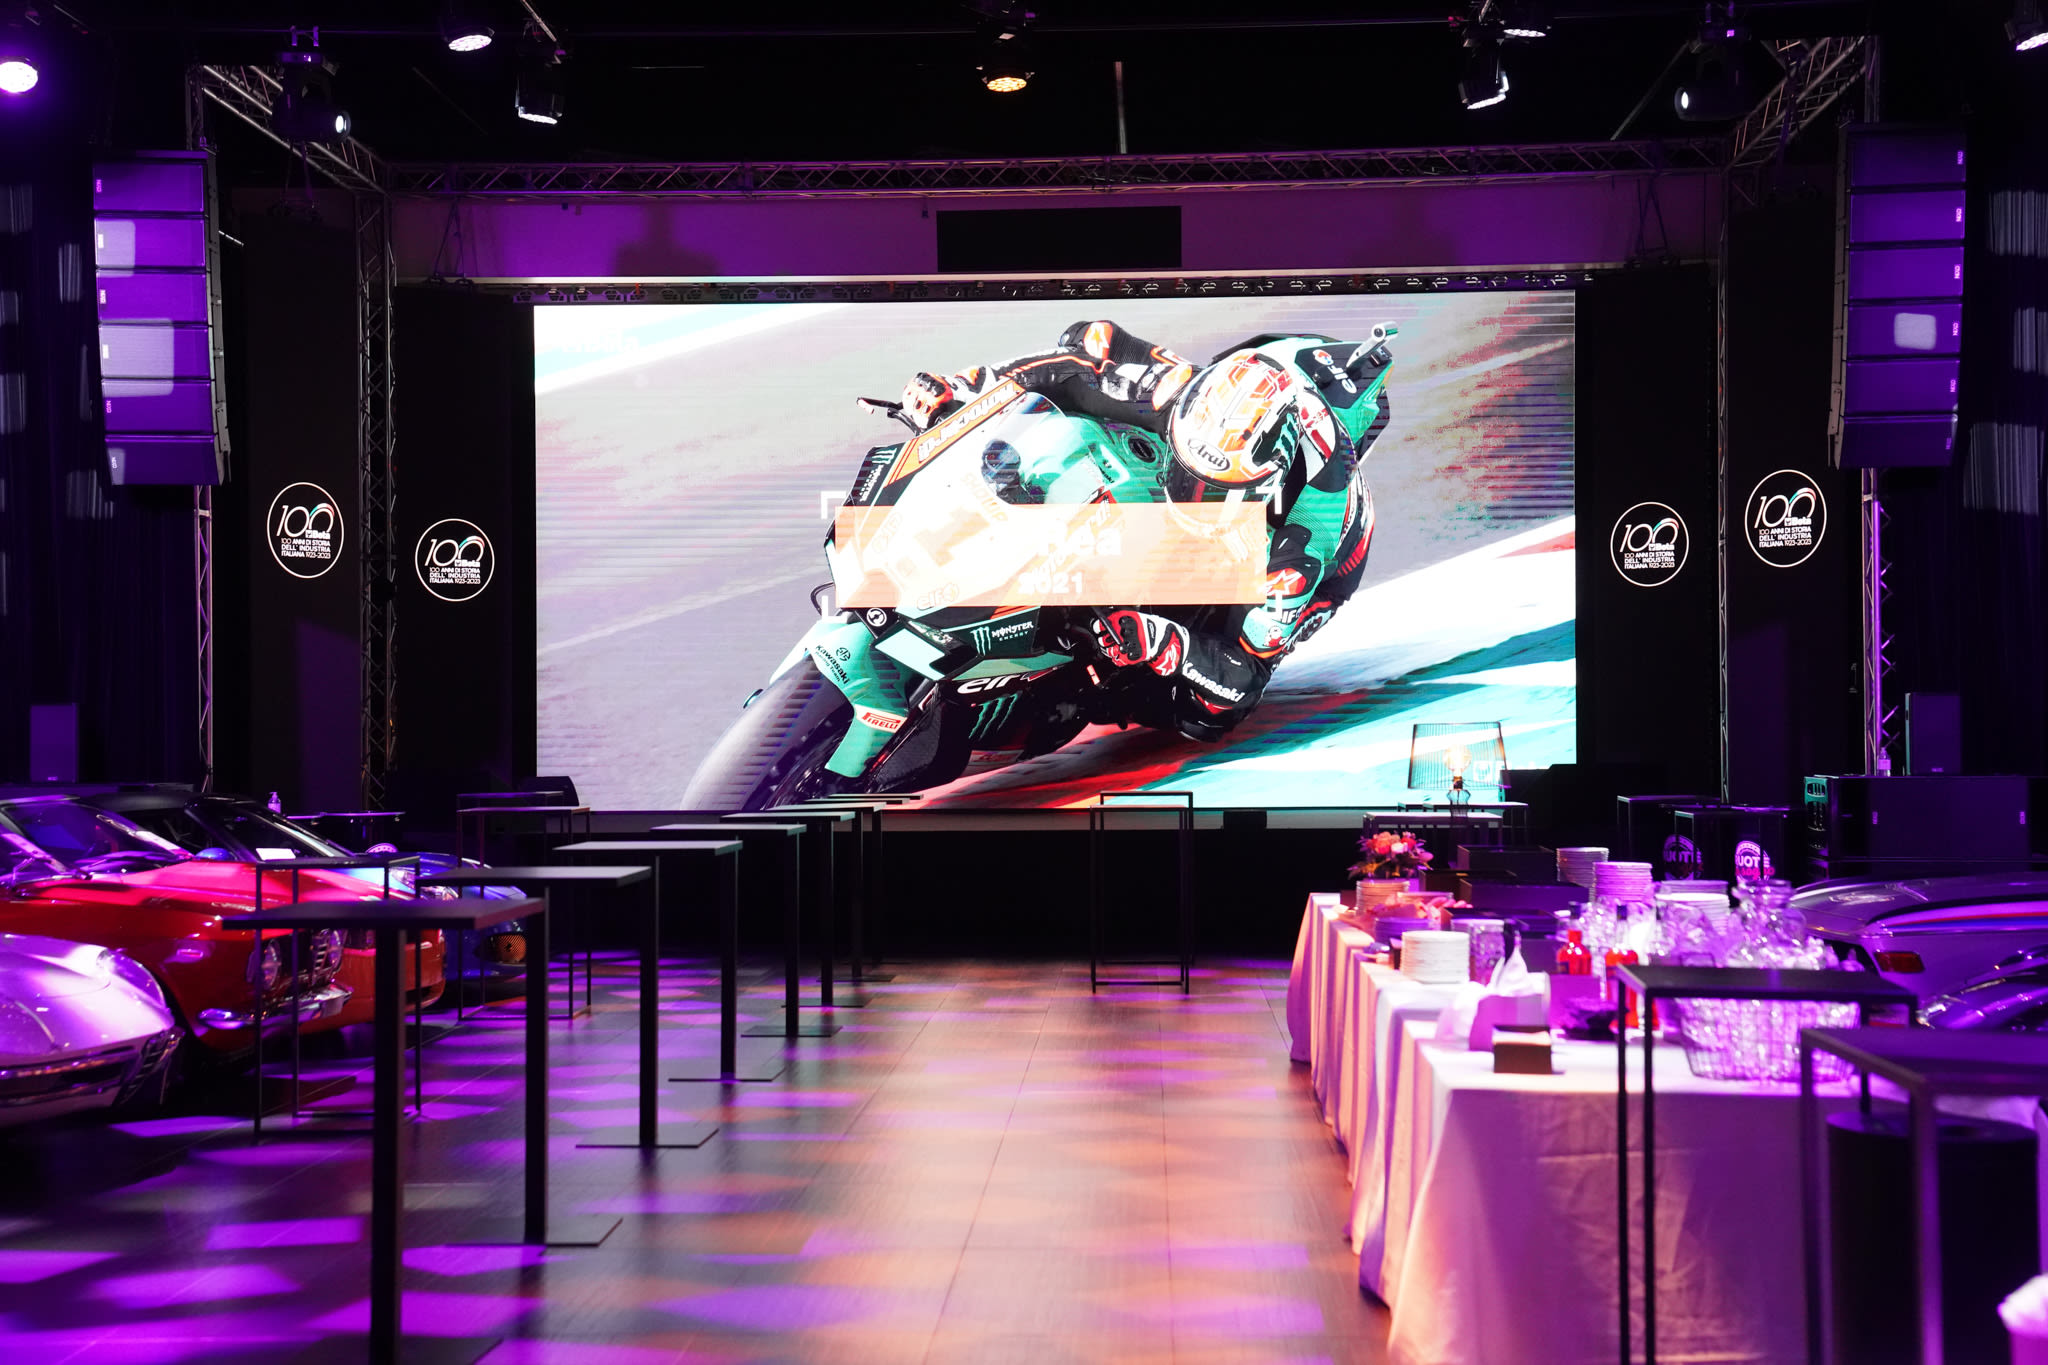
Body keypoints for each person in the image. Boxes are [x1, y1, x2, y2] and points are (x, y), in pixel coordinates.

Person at [897, 318, 1394, 740]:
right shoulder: (1179, 396)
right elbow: (1079, 357)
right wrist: (964, 391)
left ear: (1267, 482)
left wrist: (1163, 640)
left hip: (1291, 558)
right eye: (1186, 473)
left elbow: (1243, 678)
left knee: (1204, 714)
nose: (1187, 493)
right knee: (1084, 379)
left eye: (1211, 490)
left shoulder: (1300, 553)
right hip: (1244, 408)